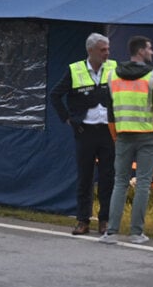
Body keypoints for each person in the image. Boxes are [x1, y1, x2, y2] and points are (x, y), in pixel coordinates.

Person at [99, 35, 153, 245]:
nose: (152, 52)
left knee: (119, 183)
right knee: (143, 184)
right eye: (149, 48)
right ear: (140, 51)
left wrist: (116, 135)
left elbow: (110, 112)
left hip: (122, 135)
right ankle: (136, 233)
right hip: (147, 136)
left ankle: (111, 232)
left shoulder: (112, 76)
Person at [49, 32, 117, 236]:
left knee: (107, 177)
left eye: (108, 49)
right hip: (85, 130)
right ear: (91, 51)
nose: (107, 53)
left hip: (108, 130)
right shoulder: (75, 70)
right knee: (85, 177)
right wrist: (68, 118)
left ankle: (104, 220)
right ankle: (82, 220)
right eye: (102, 50)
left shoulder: (114, 68)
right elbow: (55, 95)